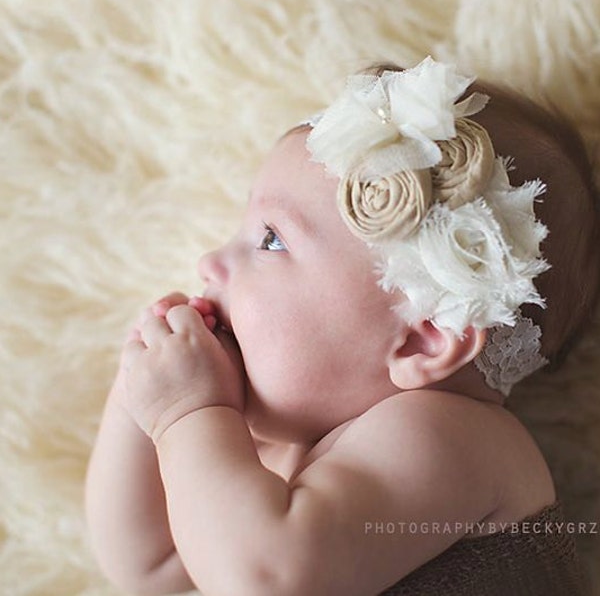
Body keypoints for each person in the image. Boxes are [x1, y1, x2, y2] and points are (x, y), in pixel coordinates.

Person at [85, 57, 599, 595]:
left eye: (271, 240)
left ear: (423, 337)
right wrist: (139, 401)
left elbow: (266, 581)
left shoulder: (452, 438)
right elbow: (151, 567)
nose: (210, 262)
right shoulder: (279, 453)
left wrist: (184, 414)